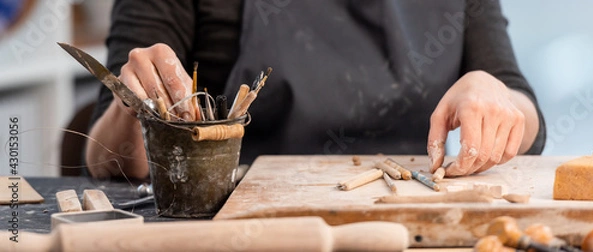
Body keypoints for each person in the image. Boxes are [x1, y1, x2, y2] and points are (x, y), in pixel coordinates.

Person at [86, 0, 546, 179]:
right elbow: (109, 162)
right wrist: (136, 108)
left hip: (415, 208)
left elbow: (525, 114)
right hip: (245, 228)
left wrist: (498, 97)